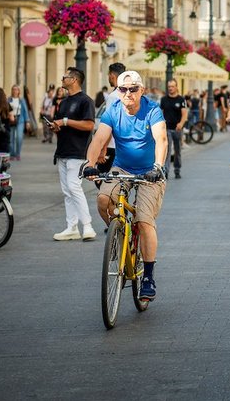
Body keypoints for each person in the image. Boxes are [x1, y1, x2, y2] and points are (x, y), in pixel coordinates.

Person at [83, 70, 167, 302]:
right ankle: (118, 236)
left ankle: (148, 277)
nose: (128, 93)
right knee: (102, 200)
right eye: (123, 89)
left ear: (142, 90)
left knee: (143, 219)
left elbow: (161, 139)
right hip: (122, 168)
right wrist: (89, 165)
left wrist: (158, 167)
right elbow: (99, 139)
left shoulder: (152, 110)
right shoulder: (113, 111)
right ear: (117, 91)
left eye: (132, 89)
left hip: (151, 171)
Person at [49, 67, 97, 242]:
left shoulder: (86, 101)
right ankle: (72, 227)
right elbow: (62, 124)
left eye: (65, 76)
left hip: (78, 151)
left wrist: (66, 122)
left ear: (74, 79)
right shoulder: (64, 102)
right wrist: (56, 126)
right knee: (67, 191)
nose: (62, 79)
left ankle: (88, 225)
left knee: (74, 187)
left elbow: (89, 125)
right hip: (62, 150)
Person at [94, 62, 126, 175]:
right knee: (120, 178)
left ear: (112, 75)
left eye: (108, 75)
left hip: (112, 145)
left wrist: (103, 148)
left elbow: (109, 124)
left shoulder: (113, 96)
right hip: (125, 145)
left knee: (101, 178)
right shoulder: (129, 93)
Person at [160, 80, 187, 179]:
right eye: (169, 87)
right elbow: (161, 113)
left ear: (176, 87)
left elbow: (184, 114)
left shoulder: (181, 99)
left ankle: (177, 170)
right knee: (167, 151)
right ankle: (166, 171)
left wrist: (181, 123)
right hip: (167, 129)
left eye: (172, 86)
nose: (170, 88)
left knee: (177, 150)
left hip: (177, 129)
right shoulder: (163, 99)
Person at [8, 84, 26, 160]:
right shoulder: (8, 99)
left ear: (19, 91)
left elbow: (25, 111)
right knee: (11, 138)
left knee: (19, 137)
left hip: (20, 119)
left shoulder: (21, 100)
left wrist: (27, 121)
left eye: (16, 89)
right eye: (13, 89)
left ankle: (18, 154)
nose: (15, 91)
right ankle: (12, 154)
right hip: (11, 120)